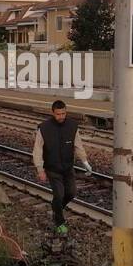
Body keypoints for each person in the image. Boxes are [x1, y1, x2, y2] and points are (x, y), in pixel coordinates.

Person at [33, 99, 92, 236]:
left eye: (63, 114)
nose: (61, 117)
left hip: (67, 168)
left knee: (71, 193)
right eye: (58, 114)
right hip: (52, 169)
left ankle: (56, 209)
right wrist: (40, 169)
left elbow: (78, 145)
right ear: (53, 113)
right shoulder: (44, 128)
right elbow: (37, 150)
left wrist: (85, 161)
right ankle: (59, 222)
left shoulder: (72, 126)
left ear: (66, 112)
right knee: (59, 195)